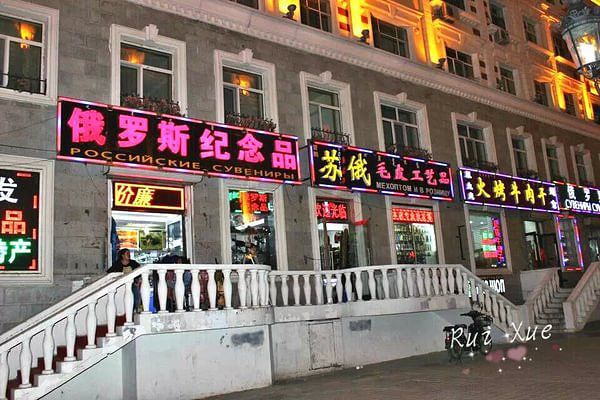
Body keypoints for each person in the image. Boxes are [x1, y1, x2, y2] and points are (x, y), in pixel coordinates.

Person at [108, 249, 142, 313]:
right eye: (127, 254)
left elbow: (140, 271)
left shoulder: (133, 263)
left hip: (132, 284)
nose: (129, 255)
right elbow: (109, 272)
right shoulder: (117, 264)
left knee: (136, 295)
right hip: (121, 286)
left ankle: (137, 309)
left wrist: (138, 280)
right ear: (122, 255)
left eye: (129, 253)